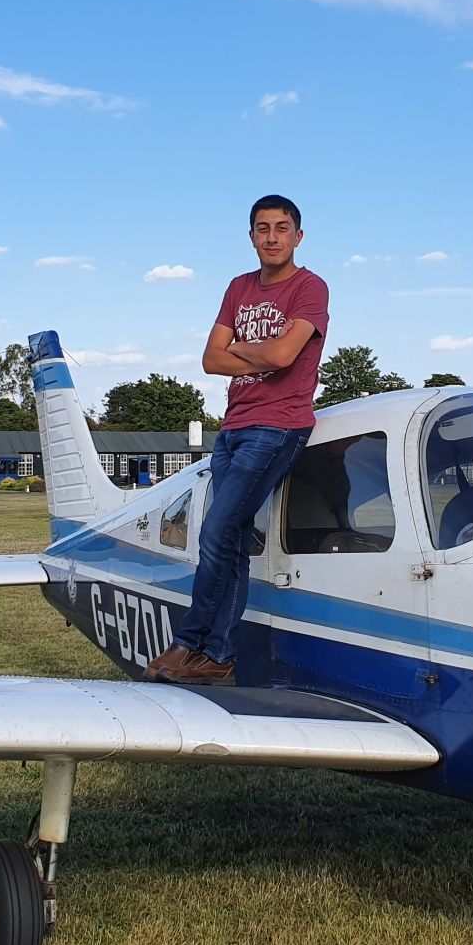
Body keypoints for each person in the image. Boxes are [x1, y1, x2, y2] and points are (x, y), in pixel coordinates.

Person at [146, 194, 328, 685]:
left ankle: (191, 642)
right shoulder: (238, 287)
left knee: (215, 531)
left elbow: (288, 356)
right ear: (251, 236)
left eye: (282, 228)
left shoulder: (310, 288)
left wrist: (246, 349)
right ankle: (218, 655)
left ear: (298, 236)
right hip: (232, 428)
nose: (272, 237)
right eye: (263, 228)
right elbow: (211, 359)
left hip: (279, 425)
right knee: (231, 539)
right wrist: (262, 352)